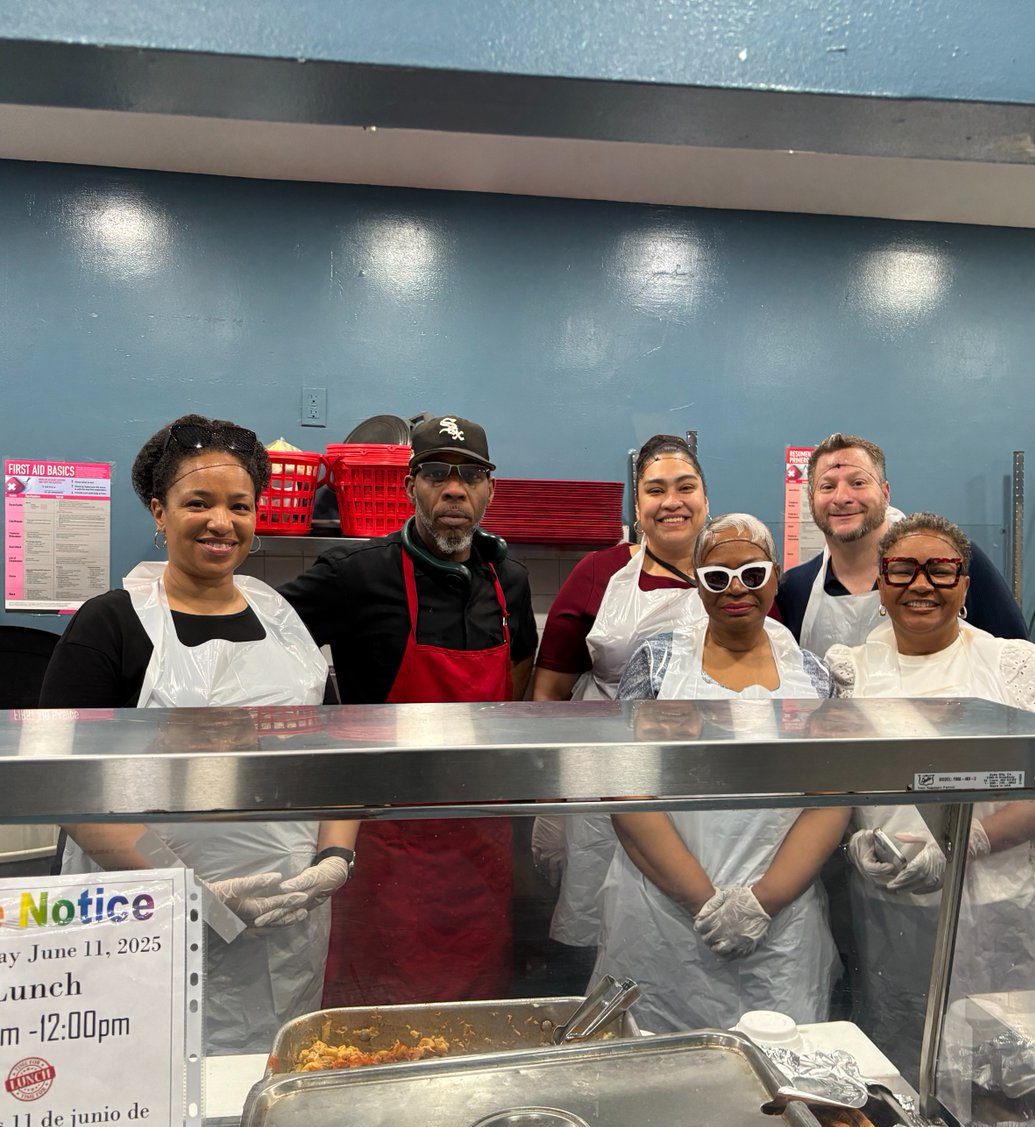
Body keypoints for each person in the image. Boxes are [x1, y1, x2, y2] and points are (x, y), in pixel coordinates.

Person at [39, 414, 358, 1053]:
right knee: (142, 1081)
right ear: (159, 512)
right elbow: (62, 784)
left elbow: (336, 751)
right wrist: (195, 898)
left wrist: (335, 858)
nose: (222, 522)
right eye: (198, 503)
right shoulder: (111, 623)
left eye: (240, 505)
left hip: (281, 923)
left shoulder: (285, 618)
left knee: (256, 1089)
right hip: (142, 916)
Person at [280, 414, 538, 1006]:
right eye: (438, 474)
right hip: (384, 840)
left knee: (474, 1012)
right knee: (375, 1008)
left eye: (471, 476)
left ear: (489, 491)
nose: (455, 489)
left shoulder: (509, 581)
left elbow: (518, 679)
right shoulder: (356, 575)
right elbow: (263, 640)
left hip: (479, 841)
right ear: (409, 486)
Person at [825, 512, 1035, 1080]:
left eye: (941, 571)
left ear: (964, 584)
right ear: (881, 584)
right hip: (894, 918)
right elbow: (836, 783)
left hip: (1002, 918)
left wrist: (967, 842)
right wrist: (856, 840)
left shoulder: (1015, 665)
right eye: (903, 570)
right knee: (913, 1071)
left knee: (1016, 1082)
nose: (921, 585)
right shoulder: (849, 671)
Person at [591, 514, 847, 1031]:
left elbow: (831, 795)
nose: (736, 590)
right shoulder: (657, 664)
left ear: (775, 575)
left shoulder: (815, 676)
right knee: (659, 1064)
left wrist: (762, 902)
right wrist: (703, 902)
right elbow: (626, 791)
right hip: (662, 916)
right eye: (716, 577)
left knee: (780, 1069)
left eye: (753, 575)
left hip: (781, 920)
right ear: (696, 582)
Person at [530, 434, 709, 984]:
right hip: (608, 780)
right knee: (606, 924)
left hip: (704, 778)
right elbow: (548, 694)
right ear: (638, 506)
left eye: (686, 487)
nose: (671, 501)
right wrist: (553, 801)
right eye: (655, 490)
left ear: (706, 498)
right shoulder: (597, 573)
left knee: (693, 915)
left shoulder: (737, 570)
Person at [777, 432, 1027, 657]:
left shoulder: (952, 562)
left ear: (885, 493)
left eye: (858, 483)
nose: (842, 498)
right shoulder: (795, 589)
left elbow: (1017, 661)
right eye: (828, 486)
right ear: (811, 500)